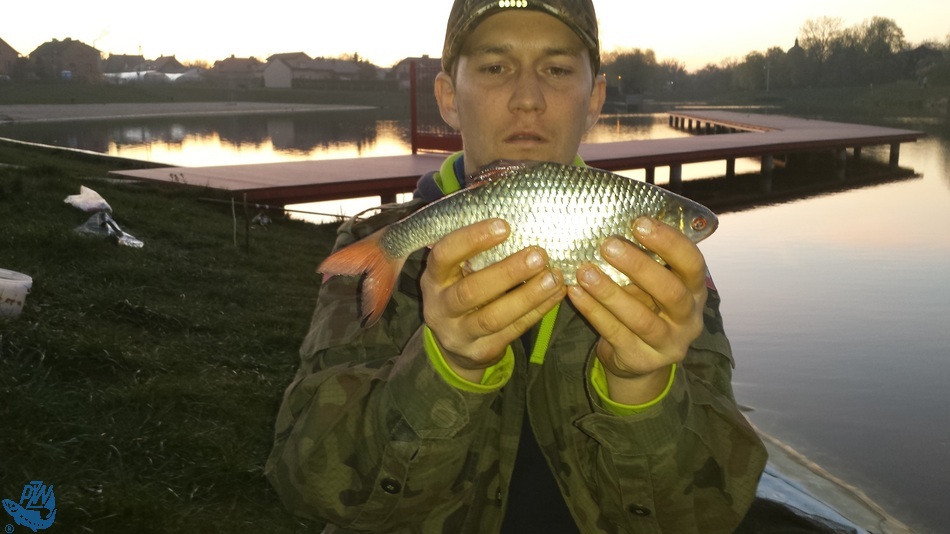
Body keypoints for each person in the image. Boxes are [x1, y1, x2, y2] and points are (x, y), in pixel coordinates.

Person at [265, 1, 767, 532]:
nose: (528, 99)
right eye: (495, 67)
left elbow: (709, 516)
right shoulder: (375, 243)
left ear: (595, 99)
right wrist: (445, 369)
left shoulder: (665, 272)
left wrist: (643, 386)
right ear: (449, 97)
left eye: (557, 69)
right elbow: (305, 483)